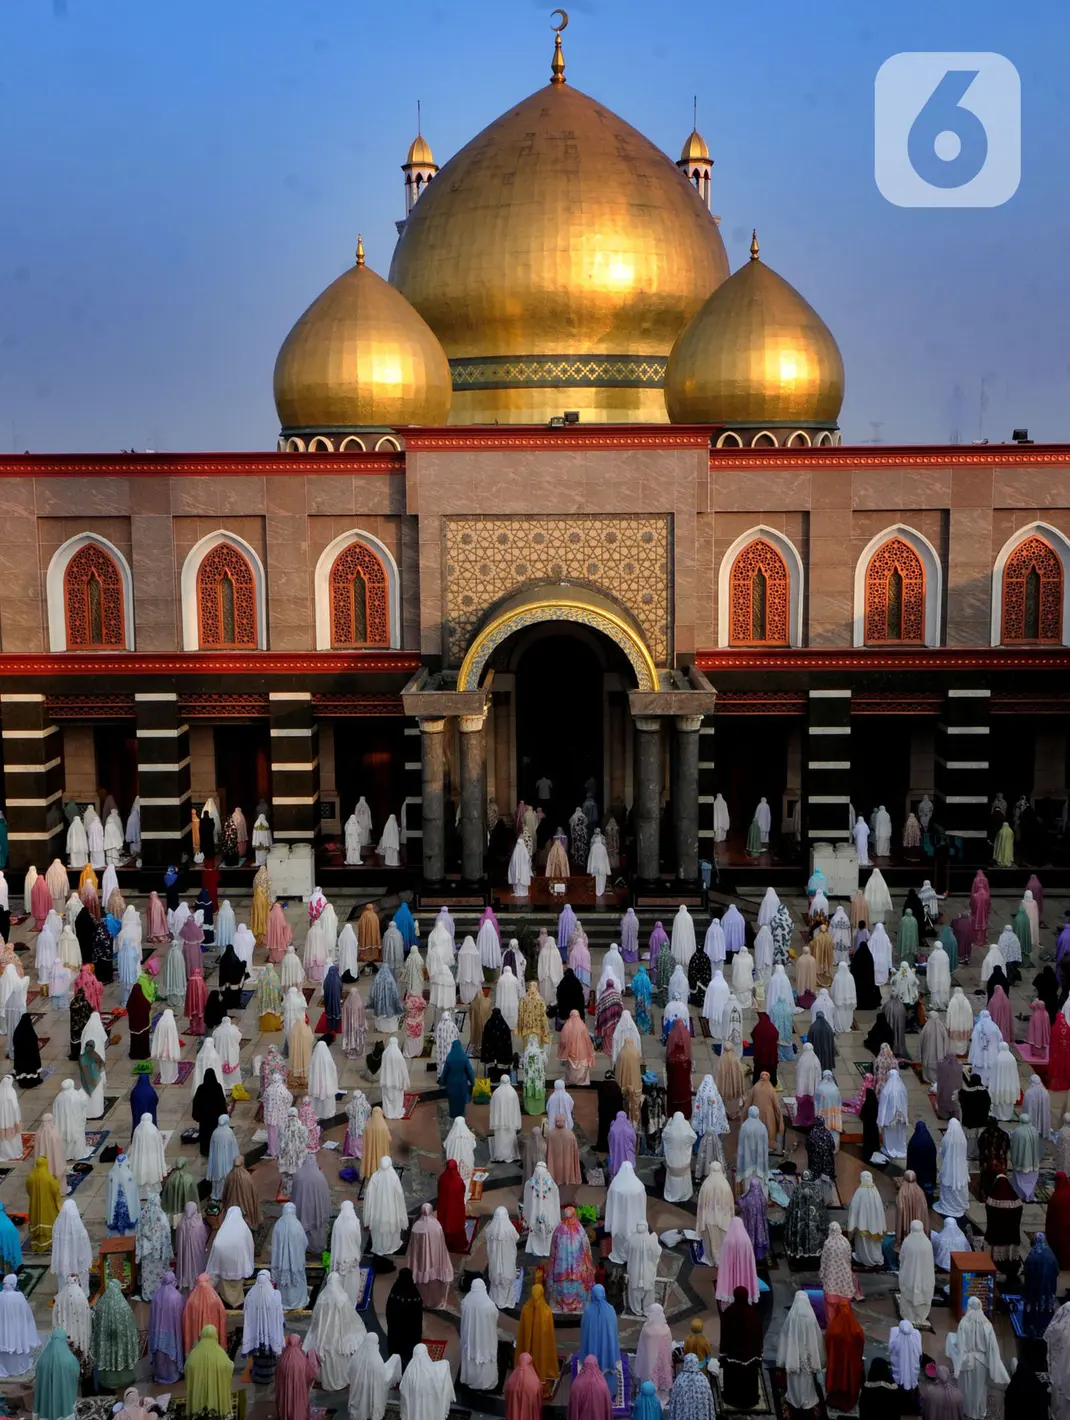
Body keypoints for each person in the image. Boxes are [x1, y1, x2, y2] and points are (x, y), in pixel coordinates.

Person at [946, 1296, 1009, 1419]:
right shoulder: (987, 1325)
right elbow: (992, 1347)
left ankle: (967, 1410)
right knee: (980, 1389)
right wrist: (994, 1364)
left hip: (966, 1360)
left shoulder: (964, 1323)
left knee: (966, 1388)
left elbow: (960, 1344)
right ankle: (980, 1412)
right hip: (982, 1362)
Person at [776, 1291, 826, 1412]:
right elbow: (817, 1337)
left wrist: (782, 1357)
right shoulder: (811, 1316)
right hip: (807, 1355)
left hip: (794, 1355)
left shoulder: (792, 1316)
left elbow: (784, 1336)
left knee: (794, 1380)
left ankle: (794, 1398)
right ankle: (807, 1399)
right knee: (807, 1381)